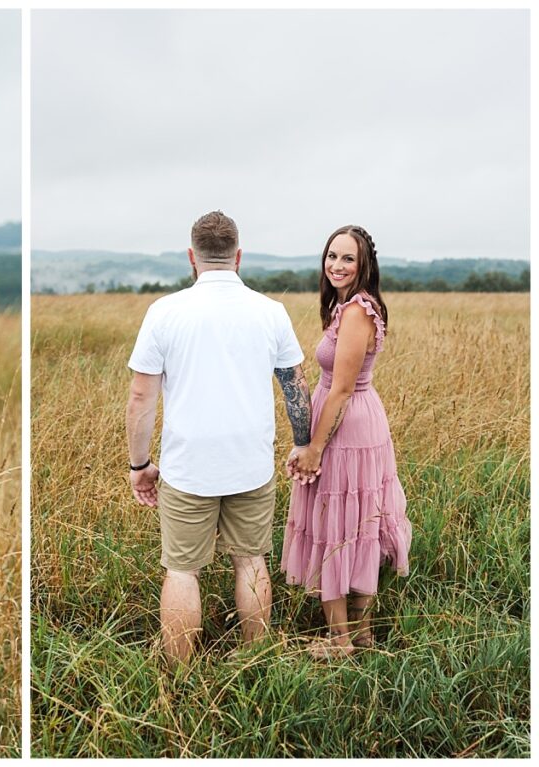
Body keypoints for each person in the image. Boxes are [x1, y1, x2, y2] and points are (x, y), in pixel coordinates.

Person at [126, 210, 315, 665]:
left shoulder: (164, 312)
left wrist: (139, 466)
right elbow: (296, 387)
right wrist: (304, 443)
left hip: (188, 467)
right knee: (251, 561)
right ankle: (256, 659)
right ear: (238, 257)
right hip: (250, 462)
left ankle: (179, 672)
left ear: (192, 257)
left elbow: (140, 398)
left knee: (182, 569)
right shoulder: (271, 311)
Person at [281, 224, 412, 659]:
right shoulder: (348, 307)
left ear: (364, 265)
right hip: (350, 420)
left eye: (347, 258)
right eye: (331, 256)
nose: (336, 265)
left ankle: (342, 642)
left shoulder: (357, 311)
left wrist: (314, 447)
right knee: (353, 522)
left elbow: (340, 388)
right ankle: (360, 635)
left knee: (340, 525)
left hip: (347, 426)